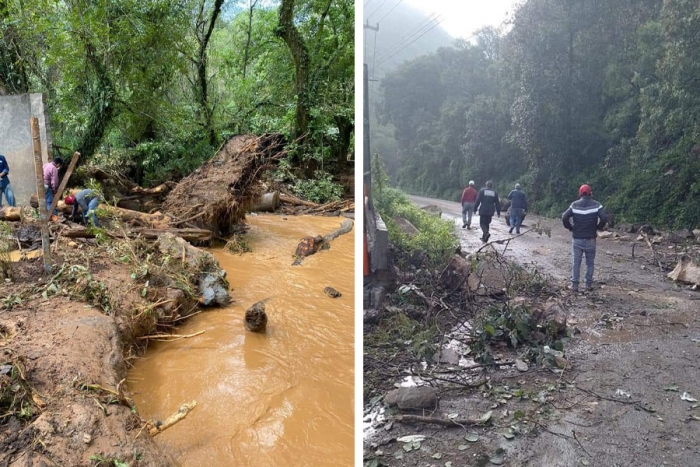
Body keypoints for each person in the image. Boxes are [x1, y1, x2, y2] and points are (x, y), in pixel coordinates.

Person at [562, 184, 607, 292]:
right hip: (591, 239)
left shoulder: (574, 205)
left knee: (576, 262)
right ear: (590, 193)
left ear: (580, 194)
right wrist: (598, 227)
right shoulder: (597, 205)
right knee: (590, 262)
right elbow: (604, 218)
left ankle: (574, 285)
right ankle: (588, 285)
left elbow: (564, 217)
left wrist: (570, 228)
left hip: (577, 238)